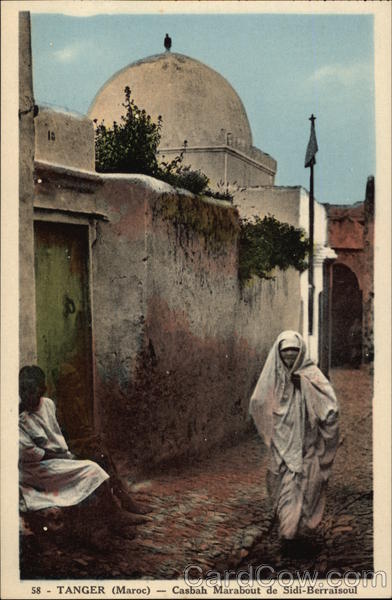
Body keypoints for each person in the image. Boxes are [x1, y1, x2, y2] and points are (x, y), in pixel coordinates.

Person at [19, 365, 149, 546]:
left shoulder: (48, 404)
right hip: (38, 468)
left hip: (58, 456)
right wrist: (65, 455)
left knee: (98, 453)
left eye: (31, 389)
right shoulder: (20, 418)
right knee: (92, 469)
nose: (26, 394)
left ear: (43, 389)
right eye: (22, 389)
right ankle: (112, 517)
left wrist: (74, 448)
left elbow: (58, 434)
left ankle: (117, 510)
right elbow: (33, 454)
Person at [249, 331, 339, 549]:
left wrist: (305, 387)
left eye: (294, 353)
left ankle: (291, 532)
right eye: (285, 353)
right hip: (280, 440)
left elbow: (330, 406)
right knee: (282, 483)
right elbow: (258, 400)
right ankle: (289, 529)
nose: (289, 357)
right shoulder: (274, 374)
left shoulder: (310, 374)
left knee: (303, 484)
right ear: (278, 354)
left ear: (301, 353)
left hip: (305, 441)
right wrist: (270, 427)